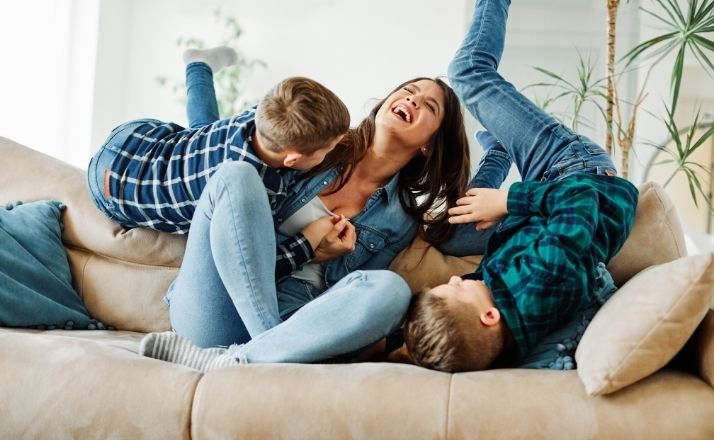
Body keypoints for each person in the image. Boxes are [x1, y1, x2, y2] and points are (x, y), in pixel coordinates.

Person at [137, 49, 472, 368]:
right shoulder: (319, 140)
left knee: (392, 290)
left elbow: (342, 296)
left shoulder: (400, 219)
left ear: (430, 143)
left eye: (429, 105)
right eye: (408, 90)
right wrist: (308, 250)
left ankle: (238, 360)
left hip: (295, 319)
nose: (412, 98)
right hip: (217, 307)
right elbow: (220, 149)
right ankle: (258, 352)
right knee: (235, 174)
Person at [402, 0, 639, 373]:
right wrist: (506, 201)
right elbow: (580, 200)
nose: (453, 278)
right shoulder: (545, 274)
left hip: (535, 212)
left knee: (446, 233)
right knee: (467, 72)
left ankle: (498, 151)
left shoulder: (504, 333)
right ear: (490, 317)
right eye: (458, 289)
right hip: (573, 171)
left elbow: (461, 314)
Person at [87, 46, 350, 235]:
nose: (330, 154)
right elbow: (256, 257)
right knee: (204, 141)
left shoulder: (256, 116)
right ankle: (198, 66)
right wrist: (310, 244)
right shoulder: (256, 193)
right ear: (292, 158)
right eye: (327, 150)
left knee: (206, 131)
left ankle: (199, 65)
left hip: (134, 136)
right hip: (112, 192)